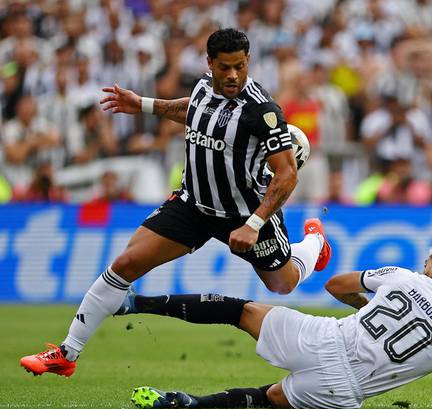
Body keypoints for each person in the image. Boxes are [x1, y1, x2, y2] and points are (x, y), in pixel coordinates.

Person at [19, 28, 331, 378]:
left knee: (282, 284)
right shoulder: (201, 86)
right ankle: (66, 353)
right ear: (209, 63)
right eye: (225, 67)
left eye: (240, 67)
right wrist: (145, 105)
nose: (233, 75)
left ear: (248, 63)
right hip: (193, 205)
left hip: (242, 214)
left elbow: (287, 174)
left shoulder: (262, 111)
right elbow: (193, 110)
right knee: (126, 263)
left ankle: (315, 242)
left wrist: (254, 223)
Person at [121, 243, 432, 409]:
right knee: (271, 397)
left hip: (324, 337)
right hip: (343, 391)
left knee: (242, 311)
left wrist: (369, 305)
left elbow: (335, 284)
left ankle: (135, 302)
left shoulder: (405, 278)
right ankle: (191, 404)